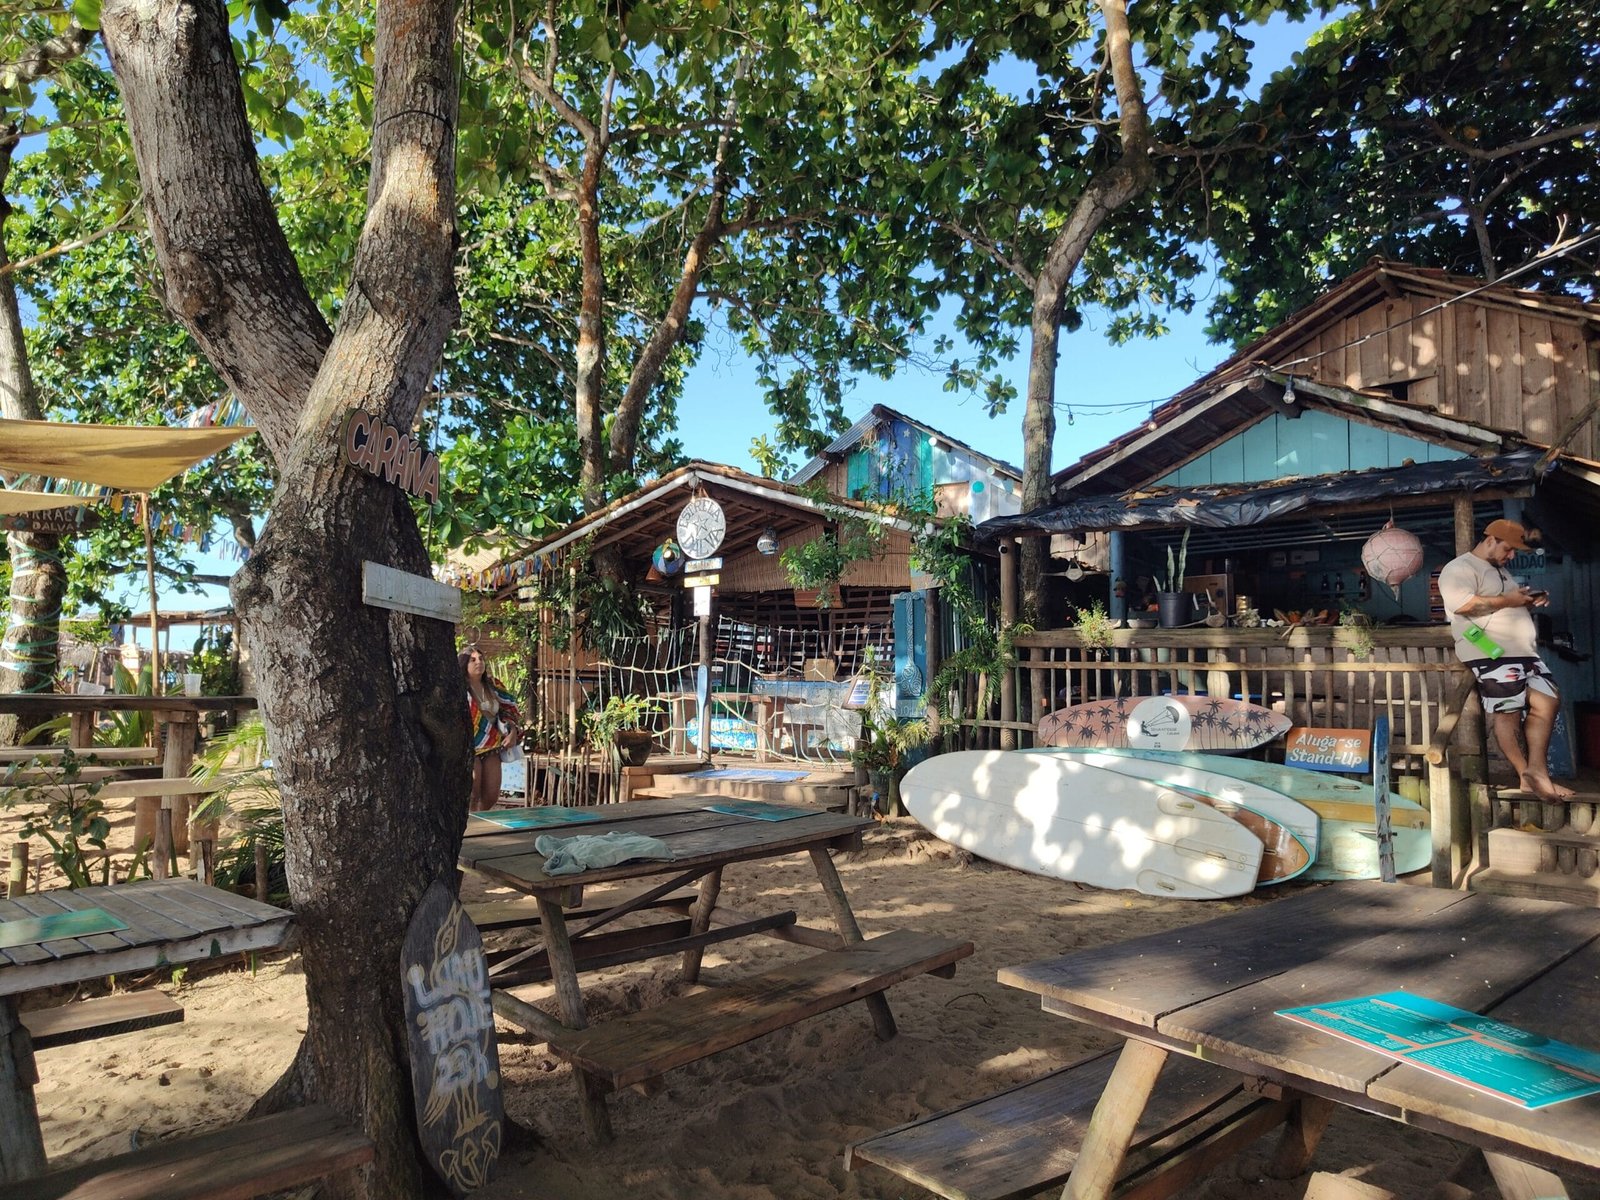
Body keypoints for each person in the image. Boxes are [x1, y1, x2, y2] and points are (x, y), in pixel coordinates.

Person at [1436, 518, 1573, 801]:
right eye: (1508, 549)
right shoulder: (1458, 569)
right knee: (1507, 713)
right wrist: (1510, 601)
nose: (1511, 556)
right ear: (1490, 540)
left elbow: (1504, 600)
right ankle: (1525, 773)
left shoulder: (1499, 571)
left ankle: (1537, 772)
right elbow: (1464, 605)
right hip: (1491, 652)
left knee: (1549, 699)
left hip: (1523, 653)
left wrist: (1530, 598)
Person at [461, 648, 522, 811]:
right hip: (468, 748)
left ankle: (481, 827)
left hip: (492, 746)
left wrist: (513, 732)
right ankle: (470, 832)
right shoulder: (457, 689)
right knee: (471, 795)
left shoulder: (493, 685)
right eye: (472, 660)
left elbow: (509, 710)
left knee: (491, 796)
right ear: (464, 663)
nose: (478, 662)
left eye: (481, 658)